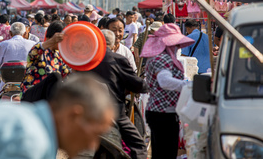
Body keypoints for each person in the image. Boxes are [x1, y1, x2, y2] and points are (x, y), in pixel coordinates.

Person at [84, 30, 148, 159]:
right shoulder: (118, 59)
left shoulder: (85, 58)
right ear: (113, 46)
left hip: (87, 111)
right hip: (113, 112)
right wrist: (146, 85)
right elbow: (136, 84)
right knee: (139, 145)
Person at [141, 23, 194, 159]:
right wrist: (188, 85)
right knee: (165, 153)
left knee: (163, 152)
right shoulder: (162, 58)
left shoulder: (162, 58)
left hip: (162, 112)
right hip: (162, 113)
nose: (177, 47)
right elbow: (164, 81)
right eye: (175, 44)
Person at [21, 21, 70, 94]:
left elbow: (66, 74)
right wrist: (52, 41)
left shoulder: (58, 55)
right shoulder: (39, 49)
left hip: (48, 96)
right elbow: (33, 54)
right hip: (32, 94)